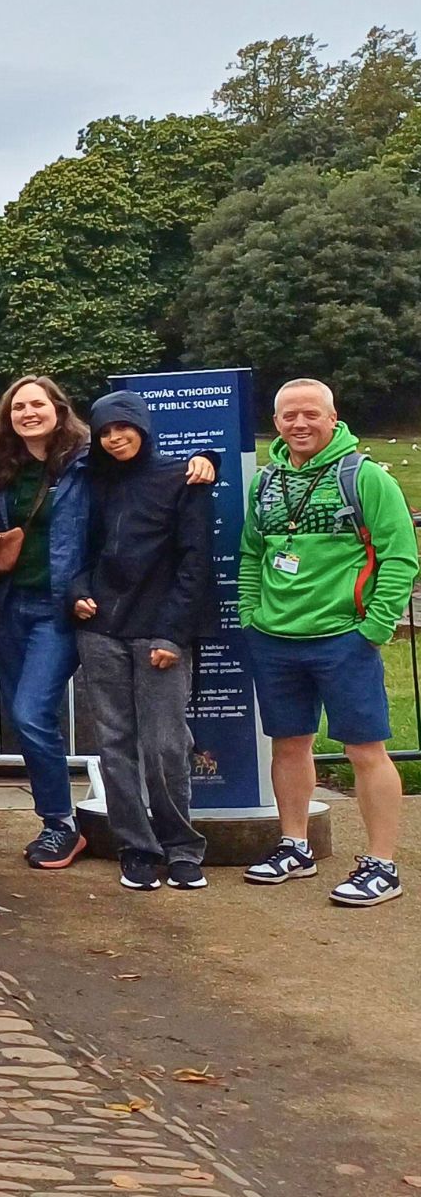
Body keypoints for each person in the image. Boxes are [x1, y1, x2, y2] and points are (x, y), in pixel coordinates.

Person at [239, 378, 417, 907]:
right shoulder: (266, 482)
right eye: (289, 415)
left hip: (344, 637)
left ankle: (382, 864)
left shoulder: (364, 477)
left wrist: (375, 626)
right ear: (276, 422)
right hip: (274, 636)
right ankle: (294, 846)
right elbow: (252, 552)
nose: (300, 423)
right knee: (288, 743)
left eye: (310, 414)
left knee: (366, 749)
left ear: (332, 417)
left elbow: (401, 555)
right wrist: (252, 614)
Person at [71, 391, 215, 893]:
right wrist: (78, 592)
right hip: (102, 630)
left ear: (143, 428)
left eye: (123, 428)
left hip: (159, 634)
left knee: (165, 745)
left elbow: (196, 563)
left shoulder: (183, 480)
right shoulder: (92, 482)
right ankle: (137, 848)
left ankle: (181, 848)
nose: (114, 439)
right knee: (115, 745)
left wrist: (174, 634)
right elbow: (79, 549)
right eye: (105, 431)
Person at [0, 375, 95, 869]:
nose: (28, 412)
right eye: (18, 406)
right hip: (8, 607)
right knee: (26, 718)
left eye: (37, 404)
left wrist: (205, 461)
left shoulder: (87, 464)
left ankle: (60, 824)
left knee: (31, 712)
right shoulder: (1, 467)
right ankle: (57, 820)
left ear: (58, 408)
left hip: (57, 609)